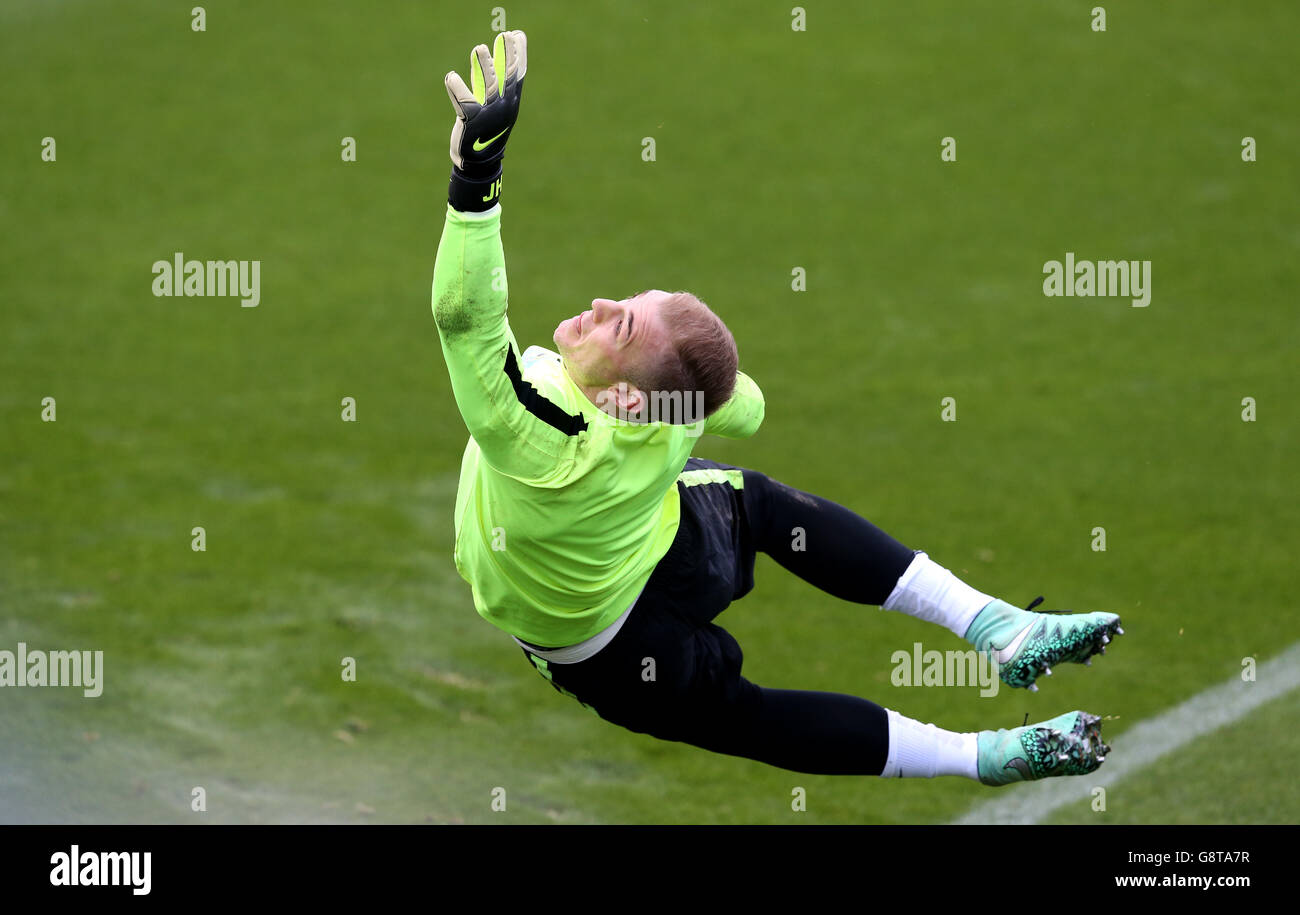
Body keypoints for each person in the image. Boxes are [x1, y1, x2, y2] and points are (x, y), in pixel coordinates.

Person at [432, 31, 1123, 786]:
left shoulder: (541, 433)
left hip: (602, 652)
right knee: (757, 504)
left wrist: (477, 178)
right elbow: (746, 406)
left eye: (621, 320)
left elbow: (468, 318)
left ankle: (981, 757)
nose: (600, 303)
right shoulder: (684, 410)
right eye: (625, 303)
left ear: (626, 396)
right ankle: (993, 624)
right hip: (662, 552)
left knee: (748, 718)